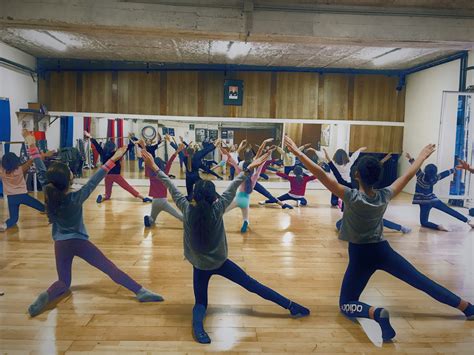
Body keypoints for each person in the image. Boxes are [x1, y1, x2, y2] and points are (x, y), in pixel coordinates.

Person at [284, 136, 474, 342]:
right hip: (383, 251)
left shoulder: (350, 196)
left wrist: (297, 153)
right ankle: (467, 307)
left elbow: (320, 174)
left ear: (356, 175)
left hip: (360, 256)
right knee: (421, 281)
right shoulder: (385, 195)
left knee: (346, 303)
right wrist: (421, 156)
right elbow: (409, 175)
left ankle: (375, 313)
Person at [141, 149, 310, 344]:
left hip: (199, 265)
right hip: (220, 262)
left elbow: (170, 185)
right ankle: (290, 305)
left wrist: (154, 166)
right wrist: (249, 169)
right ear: (214, 197)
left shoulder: (186, 208)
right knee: (252, 285)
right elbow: (234, 185)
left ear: (194, 196)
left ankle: (199, 329)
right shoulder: (218, 208)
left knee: (201, 303)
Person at [21, 131, 163, 317]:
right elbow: (97, 177)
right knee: (111, 269)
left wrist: (31, 145)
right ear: (69, 180)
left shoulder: (49, 192)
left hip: (60, 244)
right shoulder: (76, 197)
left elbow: (41, 169)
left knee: (63, 282)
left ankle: (47, 295)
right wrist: (115, 157)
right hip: (80, 243)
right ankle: (140, 291)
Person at [324, 149, 412, 234]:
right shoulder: (372, 189)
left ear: (356, 175)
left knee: (341, 224)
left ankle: (401, 228)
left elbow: (338, 178)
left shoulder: (351, 188)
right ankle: (401, 228)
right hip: (360, 217)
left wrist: (329, 161)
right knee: (341, 224)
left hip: (359, 217)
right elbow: (404, 177)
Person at [406, 153, 474, 231]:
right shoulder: (435, 178)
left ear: (425, 171)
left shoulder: (420, 176)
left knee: (424, 222)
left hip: (423, 202)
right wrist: (455, 169)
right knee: (450, 210)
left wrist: (410, 158)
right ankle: (469, 221)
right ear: (435, 173)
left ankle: (438, 226)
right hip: (433, 200)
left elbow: (415, 166)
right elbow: (445, 174)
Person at [84, 131, 151, 203]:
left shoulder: (102, 153)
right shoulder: (116, 154)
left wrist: (90, 136)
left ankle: (102, 196)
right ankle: (143, 198)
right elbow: (127, 148)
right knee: (128, 188)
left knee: (107, 195)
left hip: (107, 176)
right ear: (113, 147)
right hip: (116, 176)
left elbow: (96, 145)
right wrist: (136, 142)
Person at [0, 150, 51, 231]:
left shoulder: (2, 172)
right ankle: (57, 217)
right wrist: (44, 154)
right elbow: (32, 159)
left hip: (11, 198)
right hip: (23, 196)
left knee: (14, 219)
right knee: (43, 207)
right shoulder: (21, 169)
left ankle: (4, 225)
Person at [143, 142, 185, 227]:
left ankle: (149, 219)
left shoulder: (150, 173)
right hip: (163, 201)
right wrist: (177, 151)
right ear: (162, 165)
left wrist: (144, 148)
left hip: (154, 201)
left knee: (153, 219)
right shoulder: (164, 173)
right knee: (178, 215)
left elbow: (147, 162)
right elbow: (170, 161)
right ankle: (192, 222)